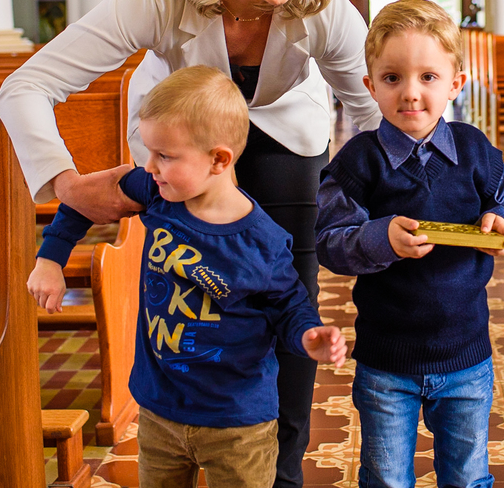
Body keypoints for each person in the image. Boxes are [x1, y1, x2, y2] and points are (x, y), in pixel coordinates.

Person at [0, 0, 380, 488]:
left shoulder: (320, 0)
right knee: (191, 286)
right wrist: (65, 185)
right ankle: (177, 429)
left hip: (288, 129)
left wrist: (391, 203)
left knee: (290, 293)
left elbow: (369, 109)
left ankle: (277, 471)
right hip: (184, 132)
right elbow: (25, 85)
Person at [29, 66, 348, 488]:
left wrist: (308, 335)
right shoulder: (157, 192)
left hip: (236, 424)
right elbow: (82, 198)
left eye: (165, 155)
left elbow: (288, 307)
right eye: (149, 151)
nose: (149, 166)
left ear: (219, 159)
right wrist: (50, 258)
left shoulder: (262, 241)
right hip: (159, 410)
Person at [315, 0, 504, 488]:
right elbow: (329, 242)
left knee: (468, 477)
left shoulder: (477, 150)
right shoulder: (358, 162)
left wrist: (503, 217)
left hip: (467, 356)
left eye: (428, 77)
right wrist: (380, 238)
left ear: (456, 82)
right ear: (370, 86)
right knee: (387, 479)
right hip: (387, 361)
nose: (411, 94)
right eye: (393, 78)